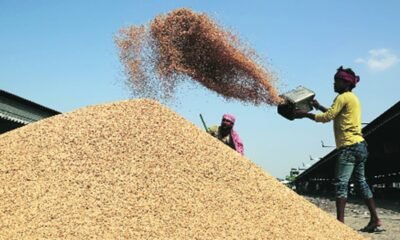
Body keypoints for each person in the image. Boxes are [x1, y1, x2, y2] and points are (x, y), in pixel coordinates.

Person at [294, 66, 381, 232]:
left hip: (348, 147)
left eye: (337, 81)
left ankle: (339, 226)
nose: (333, 84)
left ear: (345, 83)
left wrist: (305, 114)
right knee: (361, 183)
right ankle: (375, 219)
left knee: (341, 184)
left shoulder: (342, 97)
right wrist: (318, 106)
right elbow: (334, 114)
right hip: (360, 145)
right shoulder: (352, 98)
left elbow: (327, 118)